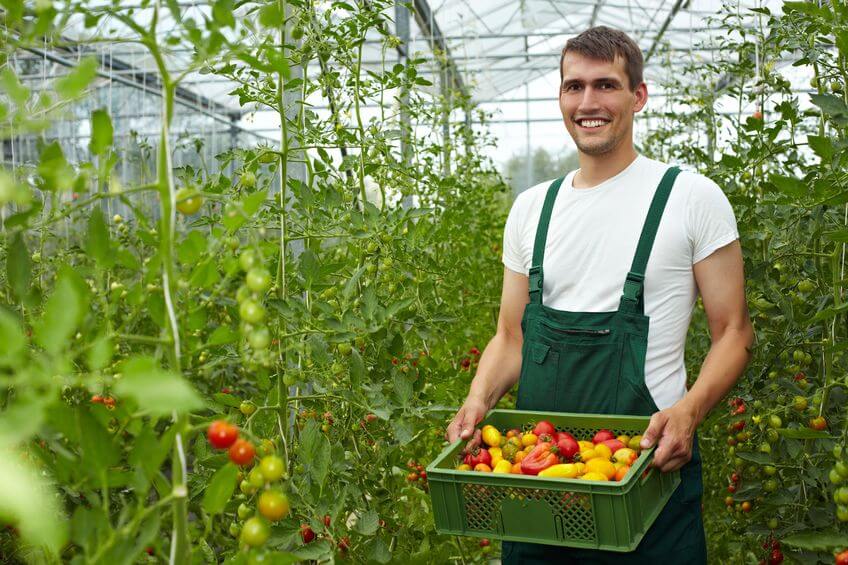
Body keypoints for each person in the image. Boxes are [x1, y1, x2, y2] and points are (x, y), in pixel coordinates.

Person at [444, 26, 754, 563]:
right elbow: (510, 337)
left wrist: (688, 413)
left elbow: (734, 332)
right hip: (537, 486)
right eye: (574, 87)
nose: (588, 103)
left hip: (647, 483)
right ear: (561, 97)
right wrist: (478, 399)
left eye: (606, 85)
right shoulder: (532, 210)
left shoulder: (689, 198)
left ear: (638, 96)